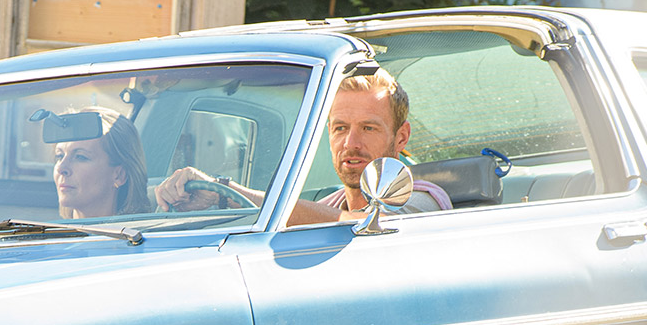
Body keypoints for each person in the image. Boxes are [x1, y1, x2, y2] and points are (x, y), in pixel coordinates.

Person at [153, 68, 451, 226]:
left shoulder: (424, 199)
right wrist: (203, 199)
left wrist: (226, 191)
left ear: (401, 137)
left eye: (368, 128)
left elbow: (372, 225)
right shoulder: (329, 206)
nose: (351, 143)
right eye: (340, 128)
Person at [53, 110, 150, 220]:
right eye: (59, 156)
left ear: (119, 175)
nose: (61, 168)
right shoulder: (47, 230)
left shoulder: (144, 231)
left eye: (80, 157)